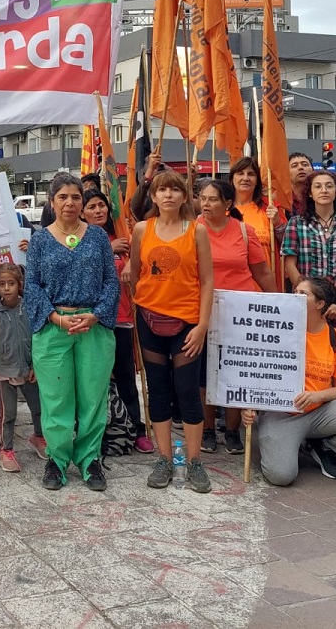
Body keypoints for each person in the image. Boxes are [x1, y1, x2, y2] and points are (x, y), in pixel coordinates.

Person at [24, 174, 120, 490]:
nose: (70, 203)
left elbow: (110, 282)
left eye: (76, 197)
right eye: (63, 197)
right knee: (56, 398)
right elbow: (33, 285)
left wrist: (94, 315)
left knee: (93, 397)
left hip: (93, 326)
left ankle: (91, 459)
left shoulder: (98, 238)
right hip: (55, 327)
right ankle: (58, 460)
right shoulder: (39, 240)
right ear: (52, 202)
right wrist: (56, 318)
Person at [241, 277, 336, 486]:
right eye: (295, 292)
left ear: (320, 304)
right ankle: (273, 438)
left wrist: (318, 395)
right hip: (282, 414)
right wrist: (249, 405)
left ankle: (324, 447)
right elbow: (255, 374)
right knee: (281, 476)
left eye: (303, 294)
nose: (295, 297)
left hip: (320, 411)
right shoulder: (276, 331)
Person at [127, 172, 215, 494]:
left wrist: (203, 325)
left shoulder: (197, 231)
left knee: (188, 392)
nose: (168, 195)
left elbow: (207, 281)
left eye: (174, 190)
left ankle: (193, 460)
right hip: (149, 321)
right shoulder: (141, 230)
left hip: (188, 324)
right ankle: (164, 458)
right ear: (153, 195)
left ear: (183, 196)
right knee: (158, 392)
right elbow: (136, 273)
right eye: (162, 189)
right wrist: (148, 302)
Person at [196, 178, 277, 455]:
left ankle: (231, 431)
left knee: (234, 373)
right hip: (202, 311)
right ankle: (207, 429)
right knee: (205, 375)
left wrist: (277, 303)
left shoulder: (244, 231)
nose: (206, 204)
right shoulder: (193, 229)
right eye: (202, 198)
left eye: (212, 199)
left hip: (239, 313)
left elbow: (262, 272)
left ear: (228, 204)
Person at [82, 188, 151, 453]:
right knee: (95, 380)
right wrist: (106, 249)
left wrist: (132, 263)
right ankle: (98, 431)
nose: (98, 210)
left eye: (102, 206)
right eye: (92, 207)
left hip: (122, 317)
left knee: (125, 376)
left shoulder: (123, 236)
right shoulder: (78, 239)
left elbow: (142, 270)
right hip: (92, 320)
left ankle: (136, 429)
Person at [281, 170, 336, 365]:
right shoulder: (296, 224)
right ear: (310, 193)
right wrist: (308, 296)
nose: (324, 190)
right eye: (318, 186)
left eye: (329, 186)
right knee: (307, 363)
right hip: (308, 308)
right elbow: (289, 264)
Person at [0, 263, 46, 472]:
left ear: (20, 284)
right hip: (4, 372)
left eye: (11, 283)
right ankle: (6, 450)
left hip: (29, 370)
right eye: (2, 284)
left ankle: (38, 437)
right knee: (9, 414)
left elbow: (38, 339)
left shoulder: (28, 309)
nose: (7, 288)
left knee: (38, 408)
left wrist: (35, 365)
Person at [229, 156, 285, 269]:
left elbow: (290, 243)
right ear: (232, 178)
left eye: (251, 174)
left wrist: (277, 223)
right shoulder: (221, 208)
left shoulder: (270, 207)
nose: (245, 178)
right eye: (240, 173)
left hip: (265, 282)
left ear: (257, 182)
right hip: (231, 281)